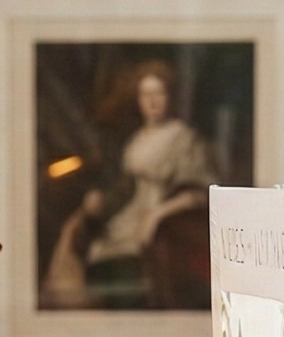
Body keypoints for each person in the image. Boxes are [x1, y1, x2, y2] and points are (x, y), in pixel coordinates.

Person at [41, 61, 219, 311]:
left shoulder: (182, 137)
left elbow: (201, 193)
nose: (153, 101)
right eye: (146, 94)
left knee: (122, 266)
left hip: (161, 224)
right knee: (86, 244)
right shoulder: (137, 140)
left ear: (170, 96)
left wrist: (158, 215)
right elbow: (127, 187)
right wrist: (100, 200)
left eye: (159, 93)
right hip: (128, 217)